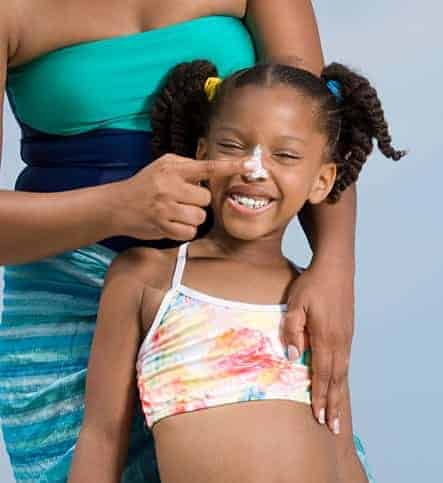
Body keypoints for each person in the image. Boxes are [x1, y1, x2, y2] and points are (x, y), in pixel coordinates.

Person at [0, 3, 367, 481]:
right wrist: (117, 207)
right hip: (66, 307)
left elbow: (314, 122)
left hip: (226, 291)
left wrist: (335, 267)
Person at [68, 60, 404, 482]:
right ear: (202, 152)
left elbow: (340, 446)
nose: (253, 168)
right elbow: (101, 437)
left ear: (321, 180)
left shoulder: (312, 301)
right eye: (233, 146)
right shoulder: (147, 279)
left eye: (284, 155)